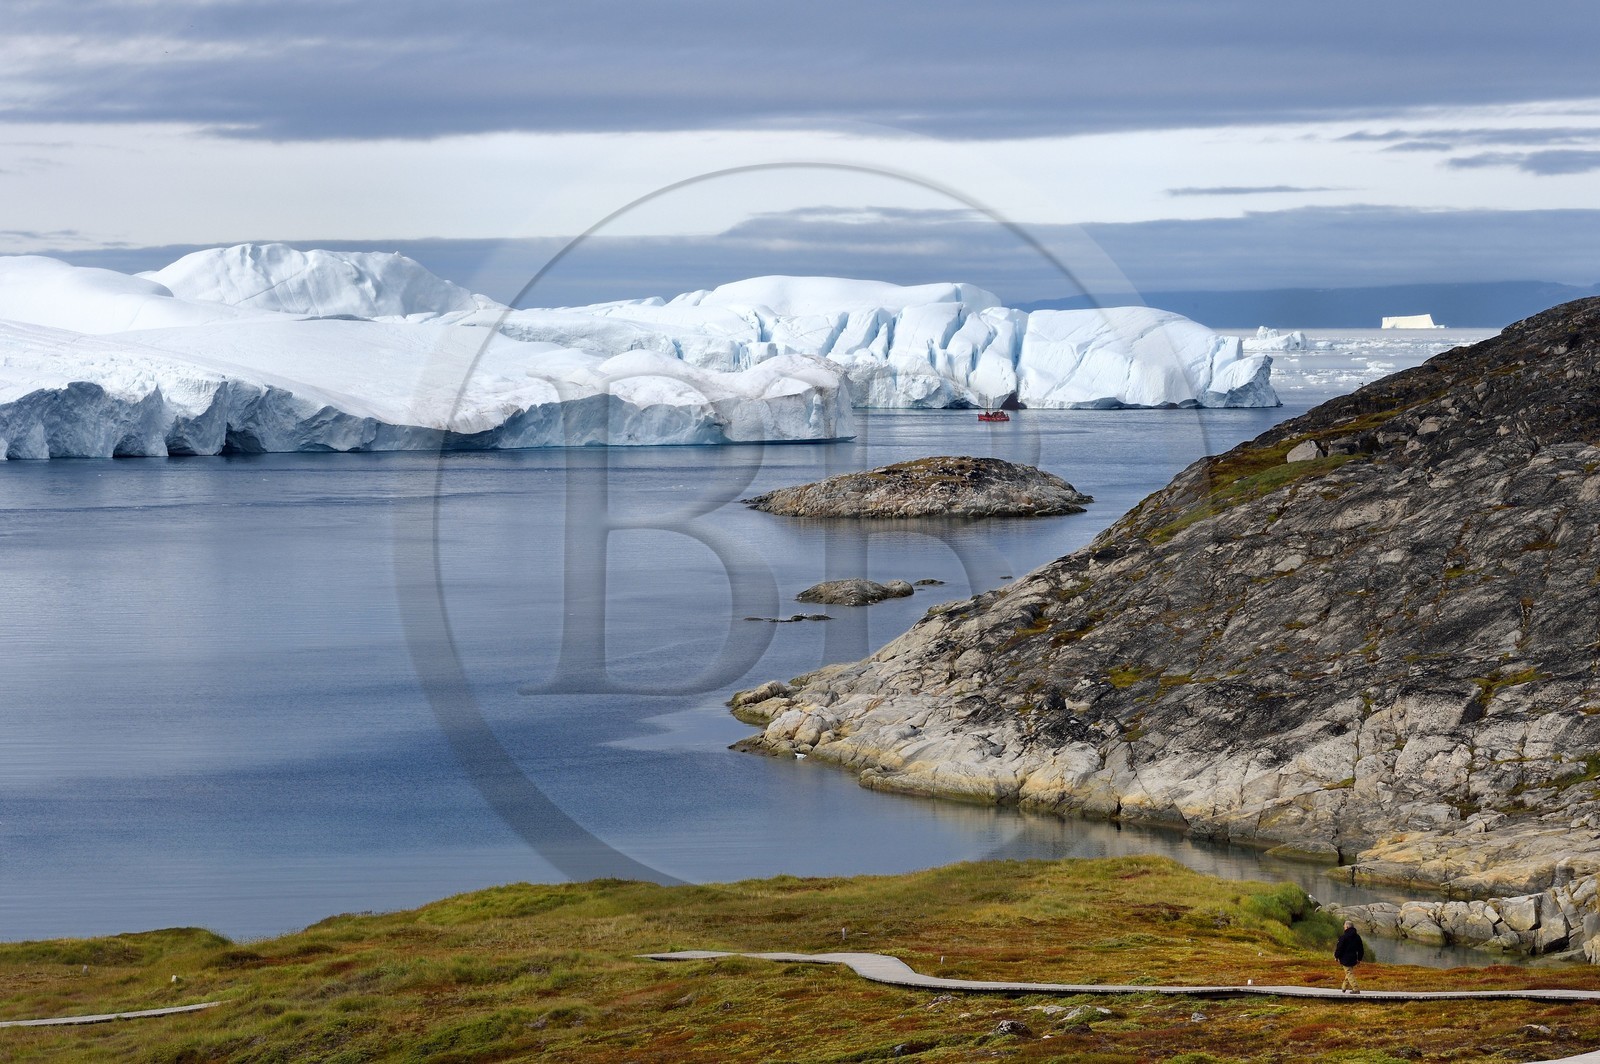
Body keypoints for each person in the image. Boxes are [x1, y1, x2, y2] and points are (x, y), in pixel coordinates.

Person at [1334, 919, 1366, 993]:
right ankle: (1344, 987)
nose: (1344, 928)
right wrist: (1359, 958)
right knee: (1349, 972)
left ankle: (1356, 989)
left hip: (1345, 959)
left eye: (1344, 927)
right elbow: (1361, 949)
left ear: (1347, 927)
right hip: (1353, 958)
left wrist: (1336, 956)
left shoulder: (1344, 937)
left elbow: (1339, 948)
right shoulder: (1357, 937)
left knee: (1349, 972)